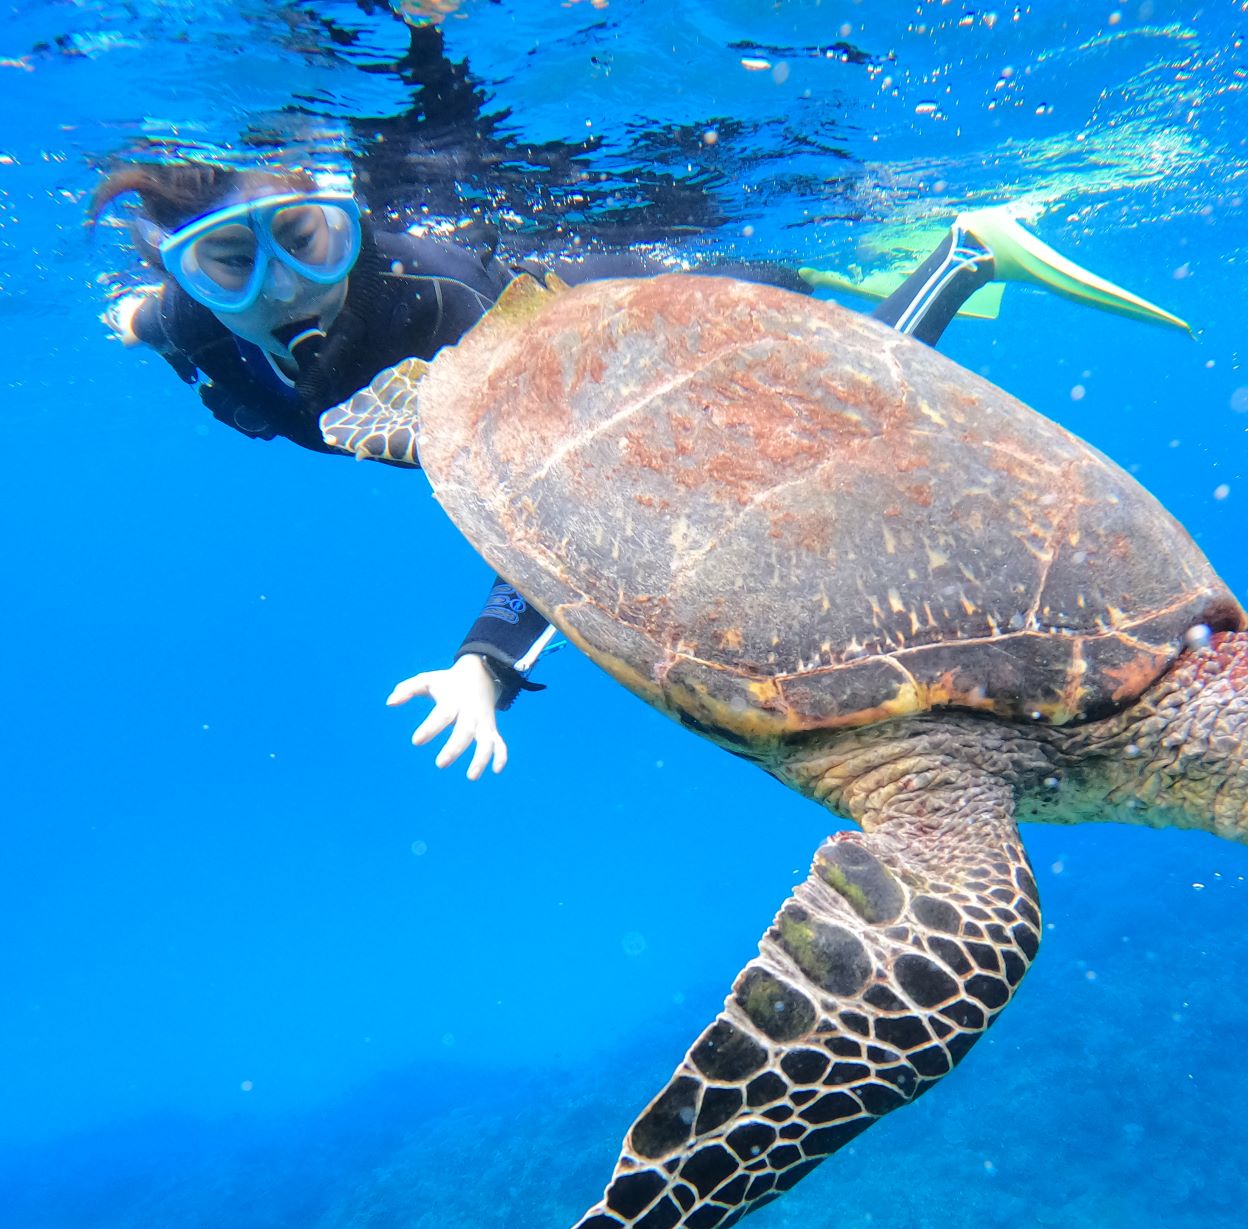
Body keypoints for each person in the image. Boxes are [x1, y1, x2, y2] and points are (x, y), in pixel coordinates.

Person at [89, 164, 1189, 780]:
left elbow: (566, 514)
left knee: (832, 395)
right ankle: (935, 255)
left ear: (354, 223)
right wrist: (145, 320)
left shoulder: (439, 310)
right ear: (181, 274)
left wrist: (487, 664)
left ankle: (961, 251)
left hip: (602, 325)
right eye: (232, 262)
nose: (280, 285)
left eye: (307, 240)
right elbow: (182, 320)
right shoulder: (185, 318)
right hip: (465, 397)